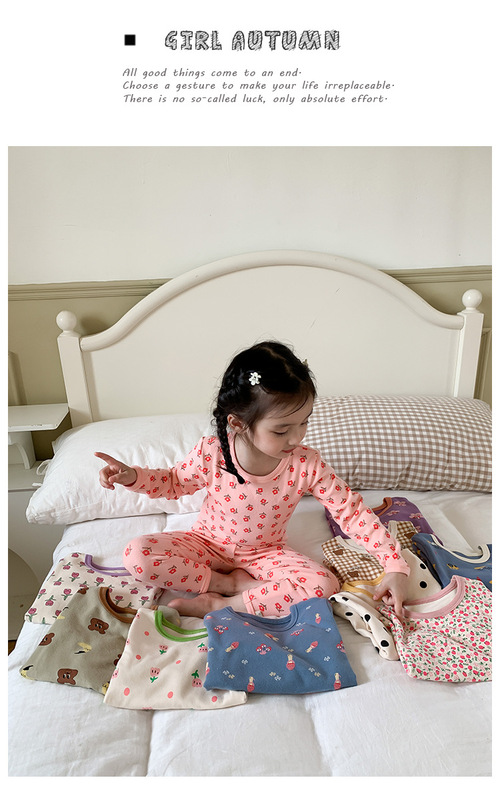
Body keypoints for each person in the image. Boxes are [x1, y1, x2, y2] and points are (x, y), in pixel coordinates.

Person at [96, 341, 410, 619]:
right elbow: (174, 482)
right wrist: (134, 476)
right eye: (281, 430)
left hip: (265, 553)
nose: (297, 437)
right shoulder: (213, 453)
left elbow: (351, 512)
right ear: (238, 423)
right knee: (137, 555)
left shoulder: (306, 463)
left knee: (323, 585)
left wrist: (394, 564)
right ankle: (226, 584)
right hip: (206, 544)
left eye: (304, 423)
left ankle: (224, 604)